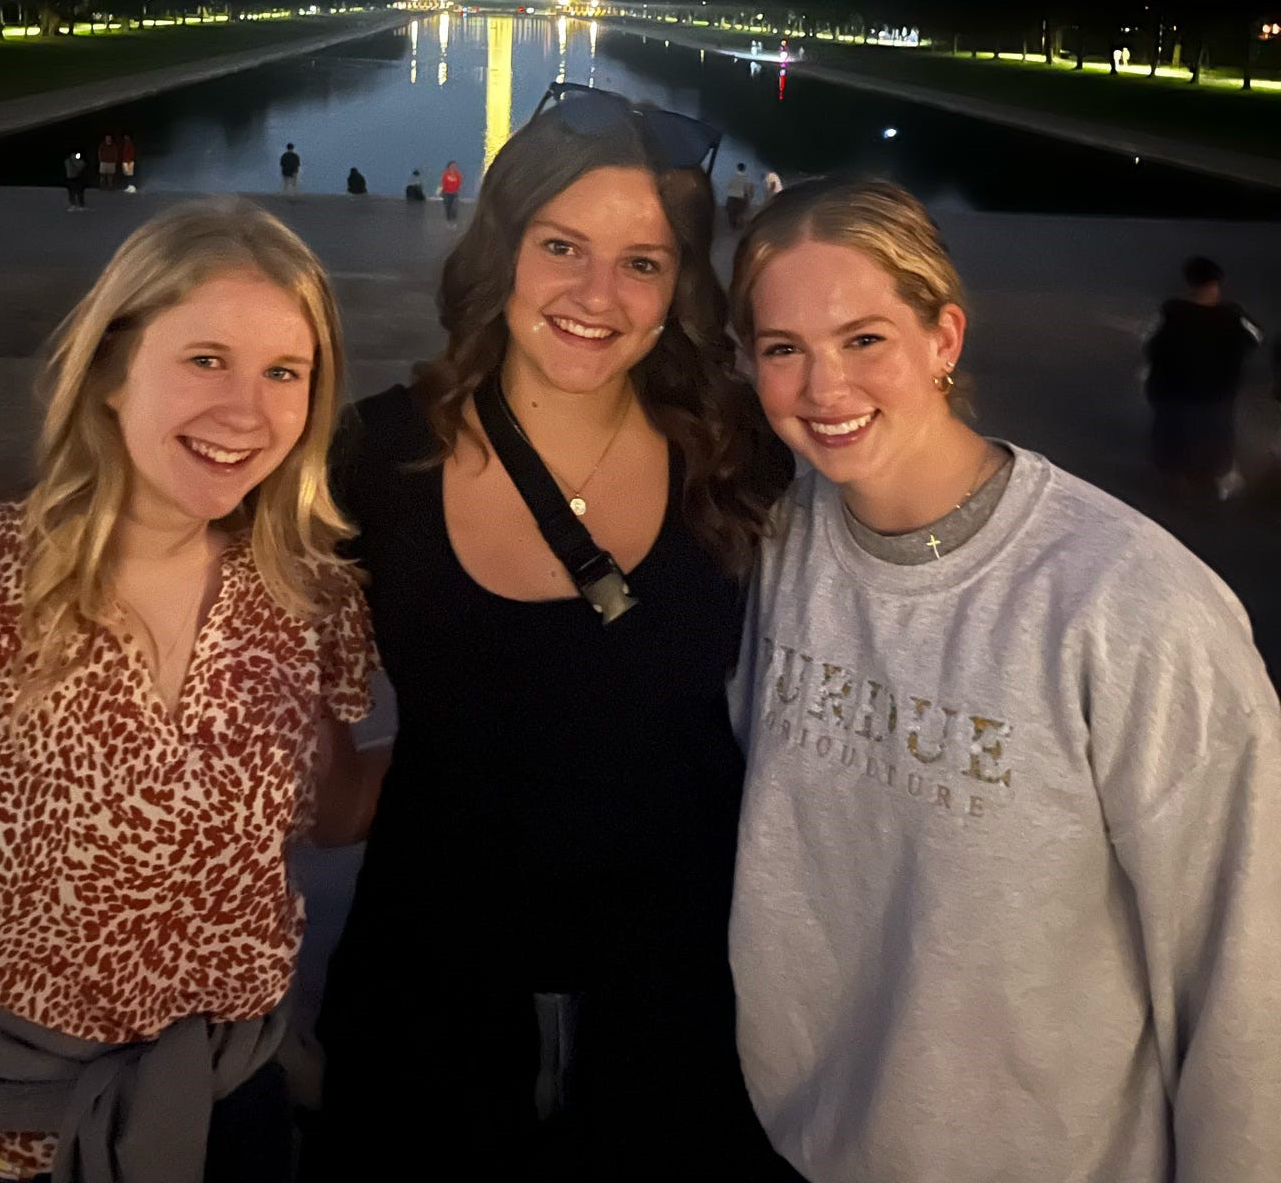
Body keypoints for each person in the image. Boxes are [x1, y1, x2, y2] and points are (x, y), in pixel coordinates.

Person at [0, 199, 380, 1183]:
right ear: (109, 372)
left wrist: (521, 729)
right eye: (205, 359)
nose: (247, 413)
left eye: (284, 374)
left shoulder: (307, 601)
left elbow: (334, 798)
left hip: (224, 1126)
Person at [726, 178, 1281, 1183]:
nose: (823, 389)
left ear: (944, 339)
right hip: (802, 1145)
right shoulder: (779, 543)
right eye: (782, 349)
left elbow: (1248, 990)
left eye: (864, 340)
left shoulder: (1135, 608)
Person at [311, 86, 792, 1182]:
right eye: (562, 246)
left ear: (680, 286)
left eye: (642, 261)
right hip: (431, 999)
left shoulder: (740, 457)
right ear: (503, 251)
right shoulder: (373, 462)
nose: (595, 295)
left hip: (678, 1000)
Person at [1143, 255, 1262, 496]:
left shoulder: (1172, 314)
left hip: (1177, 393)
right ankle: (1200, 484)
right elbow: (1254, 341)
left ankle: (1178, 483)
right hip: (1213, 394)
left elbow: (1149, 345)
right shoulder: (1232, 316)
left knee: (1177, 439)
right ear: (1214, 285)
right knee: (1210, 439)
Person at [725, 160, 754, 231]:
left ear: (737, 168)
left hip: (732, 198)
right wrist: (750, 196)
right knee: (744, 210)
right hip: (741, 198)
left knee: (730, 210)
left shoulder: (732, 177)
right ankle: (741, 224)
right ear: (744, 169)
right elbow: (748, 189)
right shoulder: (746, 178)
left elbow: (728, 186)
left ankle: (732, 225)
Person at [439, 158, 463, 223]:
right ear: (449, 166)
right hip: (446, 193)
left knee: (454, 207)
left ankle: (454, 219)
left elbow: (459, 182)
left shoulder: (458, 174)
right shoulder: (445, 174)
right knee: (448, 207)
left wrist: (457, 190)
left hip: (454, 193)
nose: (453, 167)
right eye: (452, 166)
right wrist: (442, 191)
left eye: (455, 166)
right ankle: (448, 219)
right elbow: (443, 183)